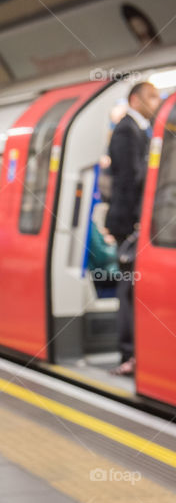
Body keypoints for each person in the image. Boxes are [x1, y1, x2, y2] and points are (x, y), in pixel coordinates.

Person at [105, 81, 161, 376]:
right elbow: (132, 179)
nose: (158, 101)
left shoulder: (139, 130)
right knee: (129, 290)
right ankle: (129, 354)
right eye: (152, 96)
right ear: (136, 100)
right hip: (130, 224)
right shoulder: (127, 130)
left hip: (135, 221)